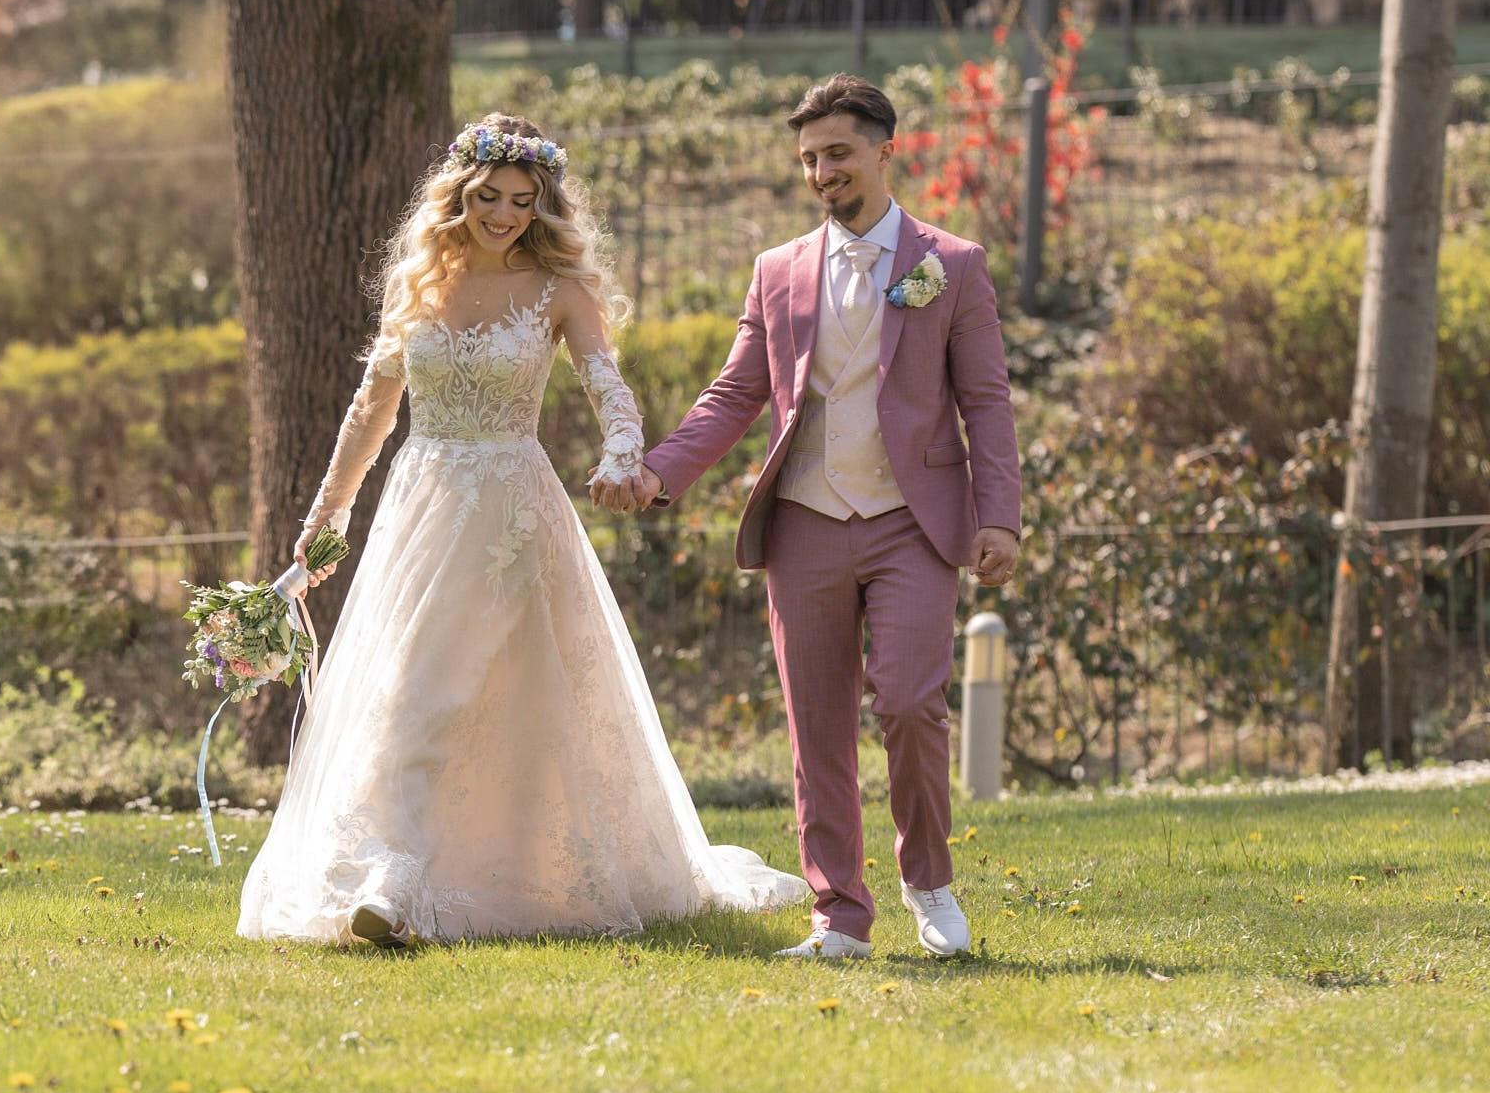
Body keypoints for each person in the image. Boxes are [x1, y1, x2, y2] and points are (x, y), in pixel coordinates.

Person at [237, 115, 808, 946]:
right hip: (422, 510)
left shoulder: (559, 292)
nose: (503, 214)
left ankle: (412, 879)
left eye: (521, 200)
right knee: (410, 687)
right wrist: (326, 518)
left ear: (542, 205)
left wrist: (622, 454)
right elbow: (370, 411)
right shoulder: (419, 286)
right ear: (459, 196)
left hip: (511, 512)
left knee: (472, 691)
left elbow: (611, 392)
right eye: (488, 197)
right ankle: (391, 876)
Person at [598, 74, 1022, 960]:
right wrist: (657, 472)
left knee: (910, 701)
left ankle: (928, 879)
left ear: (884, 151)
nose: (822, 171)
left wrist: (1000, 517)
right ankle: (839, 914)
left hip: (913, 521)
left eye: (837, 152)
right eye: (807, 159)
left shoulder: (953, 265)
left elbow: (986, 402)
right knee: (816, 724)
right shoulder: (778, 271)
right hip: (804, 520)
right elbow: (734, 394)